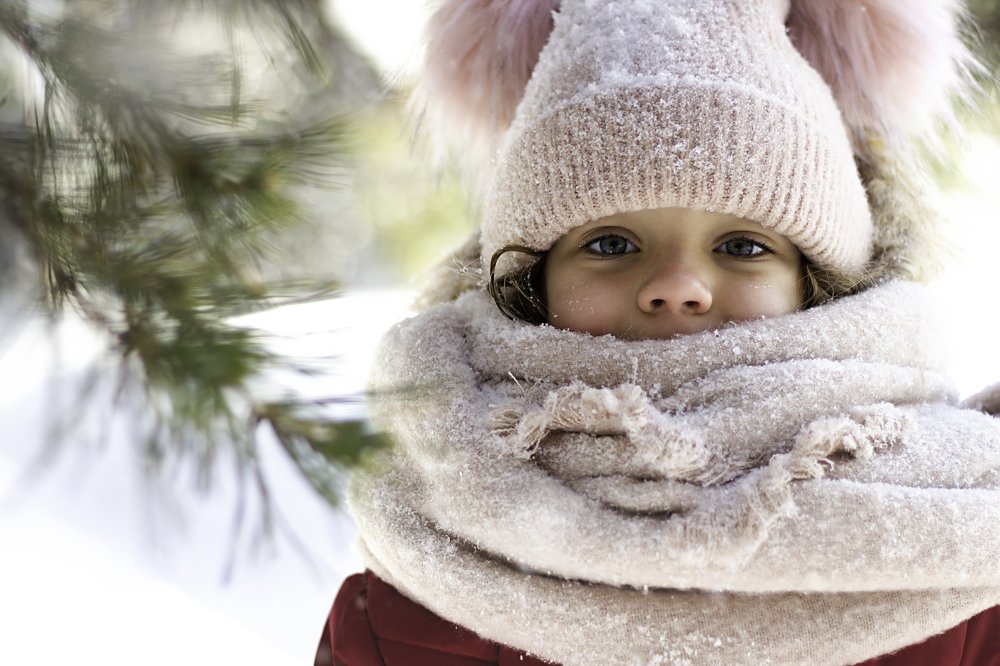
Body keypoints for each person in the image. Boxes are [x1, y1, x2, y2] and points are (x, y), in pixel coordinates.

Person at [316, 0, 1000, 664]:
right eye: (612, 244)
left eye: (742, 246)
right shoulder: (420, 577)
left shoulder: (964, 558)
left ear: (820, 285)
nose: (678, 284)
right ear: (530, 282)